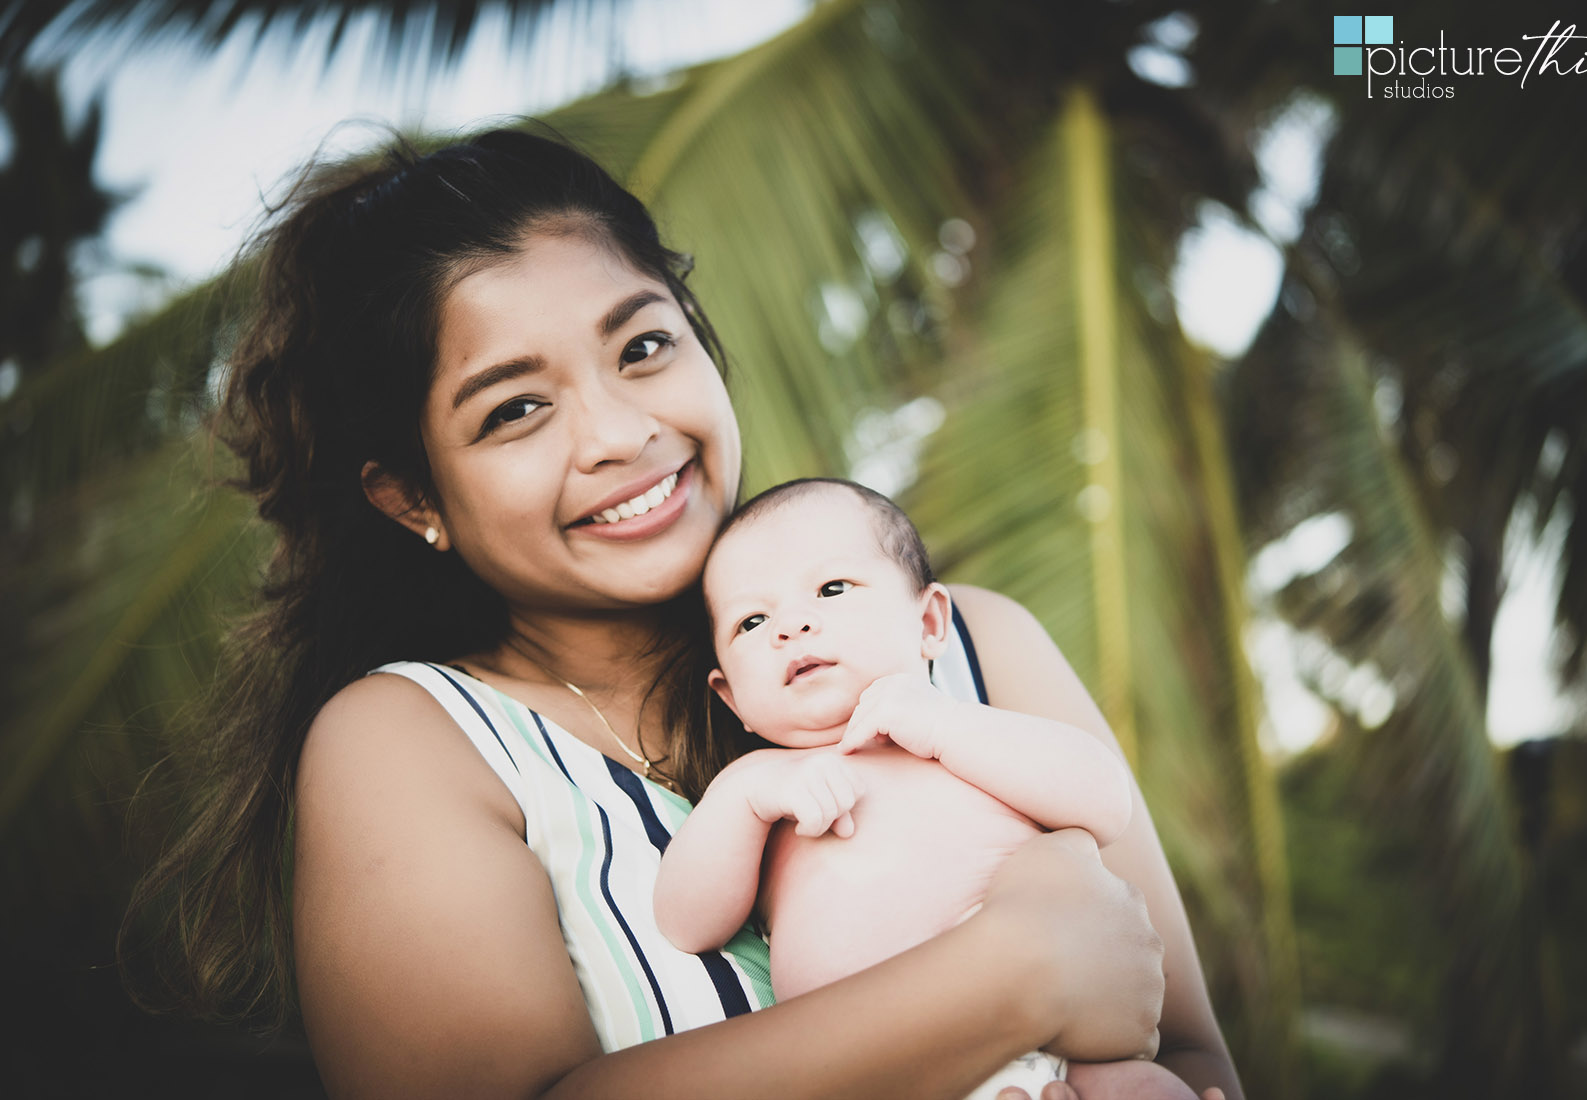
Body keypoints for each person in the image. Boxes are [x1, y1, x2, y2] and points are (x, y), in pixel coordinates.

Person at [127, 126, 1242, 1099]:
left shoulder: (970, 643)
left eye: (643, 344)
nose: (616, 433)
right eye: (516, 408)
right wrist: (1012, 972)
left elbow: (1187, 1046)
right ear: (414, 495)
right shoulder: (416, 743)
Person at [656, 477, 1208, 1100]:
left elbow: (1106, 802)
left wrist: (947, 725)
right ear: (733, 700)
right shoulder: (760, 792)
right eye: (752, 622)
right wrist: (743, 796)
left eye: (831, 589)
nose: (791, 625)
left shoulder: (970, 732)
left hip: (1071, 1043)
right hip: (898, 1069)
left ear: (929, 622)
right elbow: (686, 924)